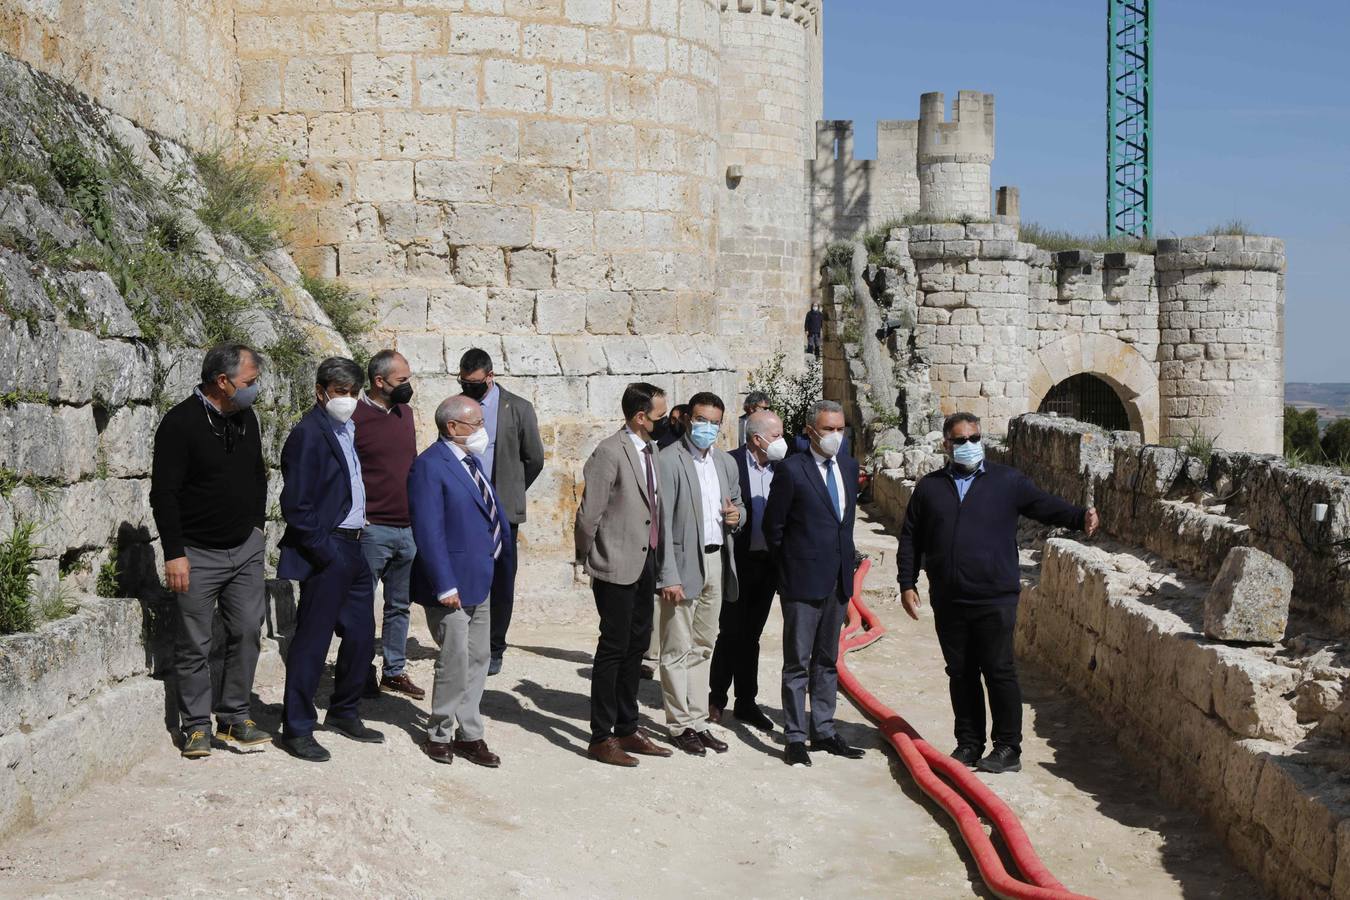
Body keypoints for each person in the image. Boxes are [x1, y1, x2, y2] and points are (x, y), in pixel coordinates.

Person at [897, 411, 1099, 774]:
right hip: (949, 597)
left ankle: (1008, 748)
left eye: (975, 438)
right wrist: (906, 582)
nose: (970, 446)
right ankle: (969, 743)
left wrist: (1078, 516)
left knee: (999, 670)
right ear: (947, 445)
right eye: (961, 440)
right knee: (960, 672)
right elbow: (911, 536)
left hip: (994, 596)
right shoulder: (930, 488)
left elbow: (1043, 504)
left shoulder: (1007, 481)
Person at [150, 343, 271, 759]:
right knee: (194, 643)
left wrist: (256, 528)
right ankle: (197, 726)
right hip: (197, 553)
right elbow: (163, 494)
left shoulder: (245, 417)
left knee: (247, 631)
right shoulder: (180, 423)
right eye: (249, 382)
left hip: (244, 548)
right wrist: (175, 553)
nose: (254, 390)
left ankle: (236, 715)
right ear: (223, 382)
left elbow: (259, 474)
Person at [277, 357, 383, 762]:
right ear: (321, 391)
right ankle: (298, 727)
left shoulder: (346, 428)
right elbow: (297, 503)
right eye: (341, 392)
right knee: (313, 640)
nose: (349, 400)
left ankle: (344, 710)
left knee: (360, 634)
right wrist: (324, 550)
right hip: (329, 546)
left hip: (355, 543)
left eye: (354, 393)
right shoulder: (308, 433)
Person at [408, 395, 514, 768]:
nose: (483, 431)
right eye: (476, 424)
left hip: (480, 577)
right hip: (451, 583)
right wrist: (444, 584)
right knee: (453, 659)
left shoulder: (472, 462)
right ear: (452, 427)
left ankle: (469, 733)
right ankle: (439, 731)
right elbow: (429, 529)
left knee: (479, 656)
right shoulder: (429, 466)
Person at [574, 382, 675, 767]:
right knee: (613, 648)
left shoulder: (650, 449)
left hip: (644, 561)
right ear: (639, 417)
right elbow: (589, 514)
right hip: (615, 564)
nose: (665, 422)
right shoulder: (609, 452)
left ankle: (627, 726)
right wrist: (587, 557)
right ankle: (601, 736)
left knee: (637, 647)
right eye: (659, 416)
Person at [761, 399, 866, 766]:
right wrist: (790, 570)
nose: (835, 436)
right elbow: (774, 528)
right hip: (801, 582)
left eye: (840, 430)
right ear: (810, 431)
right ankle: (794, 736)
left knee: (827, 659)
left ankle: (823, 728)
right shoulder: (792, 470)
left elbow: (845, 523)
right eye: (828, 429)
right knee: (797, 662)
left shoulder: (849, 468)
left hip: (837, 581)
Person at [655, 392, 745, 755]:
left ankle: (697, 719)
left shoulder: (725, 463)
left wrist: (738, 517)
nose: (707, 428)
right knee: (676, 646)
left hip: (716, 561)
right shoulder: (668, 461)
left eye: (714, 422)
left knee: (704, 645)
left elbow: (736, 503)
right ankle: (678, 724)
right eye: (701, 420)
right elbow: (660, 526)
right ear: (687, 419)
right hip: (682, 563)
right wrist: (668, 575)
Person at [457, 348, 545, 676]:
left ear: (490, 377)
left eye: (475, 383)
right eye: (464, 383)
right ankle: (466, 641)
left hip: (502, 509)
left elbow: (534, 458)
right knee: (466, 571)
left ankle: (495, 645)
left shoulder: (517, 408)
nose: (469, 389)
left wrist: (510, 489)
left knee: (502, 578)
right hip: (466, 506)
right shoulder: (458, 406)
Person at [709, 409, 787, 732]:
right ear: (757, 439)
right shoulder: (729, 464)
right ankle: (716, 699)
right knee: (730, 631)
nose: (783, 441)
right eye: (777, 435)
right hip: (736, 563)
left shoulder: (787, 468)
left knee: (751, 636)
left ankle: (746, 702)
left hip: (768, 565)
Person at [352, 350, 423, 700]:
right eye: (402, 381)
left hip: (406, 527)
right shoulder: (355, 416)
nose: (408, 387)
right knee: (362, 604)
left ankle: (394, 670)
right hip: (372, 529)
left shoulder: (405, 413)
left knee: (399, 605)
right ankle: (359, 670)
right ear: (379, 382)